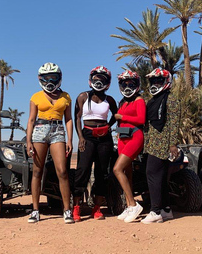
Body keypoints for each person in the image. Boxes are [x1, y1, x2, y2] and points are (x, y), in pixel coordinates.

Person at [26, 62, 74, 224]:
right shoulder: (36, 97)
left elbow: (68, 119)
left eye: (53, 77)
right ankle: (35, 210)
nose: (50, 81)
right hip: (39, 130)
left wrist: (69, 139)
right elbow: (31, 120)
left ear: (59, 78)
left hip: (58, 131)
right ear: (41, 79)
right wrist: (28, 141)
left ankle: (67, 210)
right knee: (37, 172)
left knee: (62, 171)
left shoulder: (66, 97)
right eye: (46, 78)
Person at [72, 66, 118, 222]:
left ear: (108, 82)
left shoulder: (109, 100)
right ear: (91, 80)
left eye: (102, 79)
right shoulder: (83, 97)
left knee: (102, 173)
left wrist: (109, 126)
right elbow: (77, 118)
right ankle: (76, 206)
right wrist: (80, 137)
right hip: (87, 136)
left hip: (105, 138)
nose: (99, 82)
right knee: (82, 170)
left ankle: (97, 208)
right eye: (96, 78)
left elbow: (116, 115)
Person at [141, 68, 181, 224]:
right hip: (152, 141)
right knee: (161, 176)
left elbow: (173, 123)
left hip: (162, 142)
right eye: (153, 81)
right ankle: (166, 209)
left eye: (158, 81)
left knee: (152, 173)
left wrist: (172, 144)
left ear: (166, 82)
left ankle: (155, 211)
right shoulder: (152, 101)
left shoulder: (171, 100)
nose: (155, 84)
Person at [113, 70, 145, 223]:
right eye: (124, 83)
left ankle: (134, 204)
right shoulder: (122, 102)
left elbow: (141, 119)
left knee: (117, 169)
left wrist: (122, 117)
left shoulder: (139, 100)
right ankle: (129, 206)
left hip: (135, 136)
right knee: (126, 171)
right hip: (122, 137)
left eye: (130, 83)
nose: (127, 86)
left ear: (136, 84)